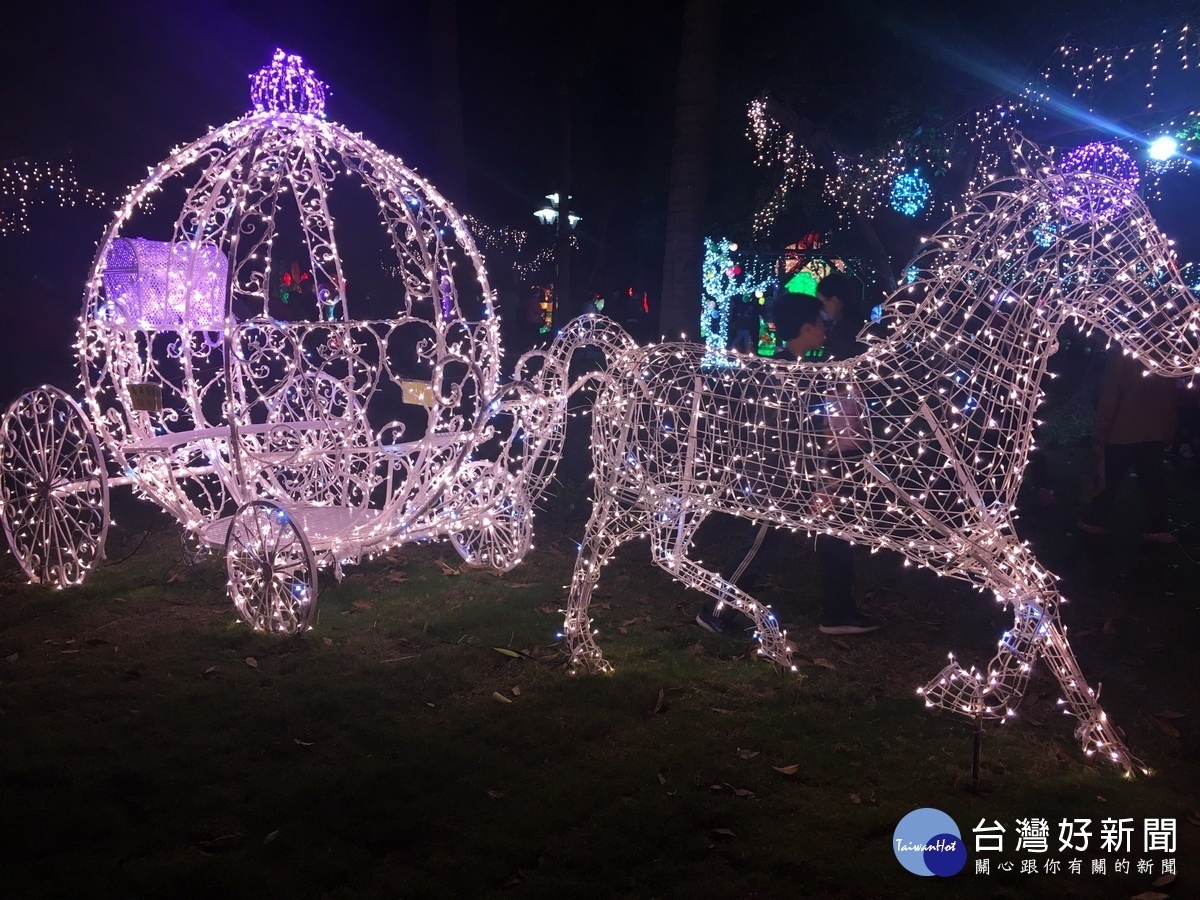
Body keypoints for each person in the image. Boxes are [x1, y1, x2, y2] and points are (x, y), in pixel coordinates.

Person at [696, 291, 880, 636]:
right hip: (781, 480)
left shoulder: (800, 370)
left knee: (835, 535)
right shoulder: (779, 373)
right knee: (762, 544)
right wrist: (808, 478)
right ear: (807, 328)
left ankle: (838, 611)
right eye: (821, 324)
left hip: (806, 475)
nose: (826, 330)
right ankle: (715, 610)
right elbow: (781, 435)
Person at [1077, 350, 1179, 543]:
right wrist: (1104, 426)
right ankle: (1092, 519)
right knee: (1116, 478)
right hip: (1127, 429)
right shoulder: (1131, 356)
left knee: (1149, 481)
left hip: (1143, 430)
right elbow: (1111, 392)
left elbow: (1169, 396)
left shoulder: (1162, 357)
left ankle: (1153, 527)